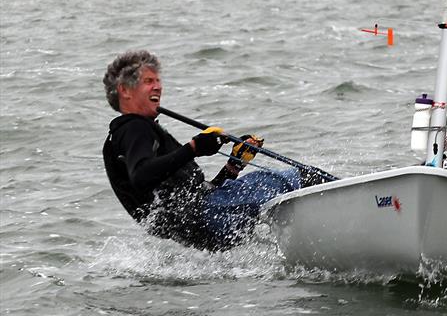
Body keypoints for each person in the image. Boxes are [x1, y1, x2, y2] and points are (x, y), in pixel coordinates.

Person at [102, 50, 325, 251]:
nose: (158, 86)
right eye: (148, 81)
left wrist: (232, 166)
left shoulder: (124, 135)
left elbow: (189, 195)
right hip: (209, 217)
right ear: (125, 90)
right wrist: (194, 147)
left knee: (275, 192)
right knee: (302, 177)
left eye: (158, 81)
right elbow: (141, 175)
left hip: (200, 232)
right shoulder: (134, 128)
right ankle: (352, 212)